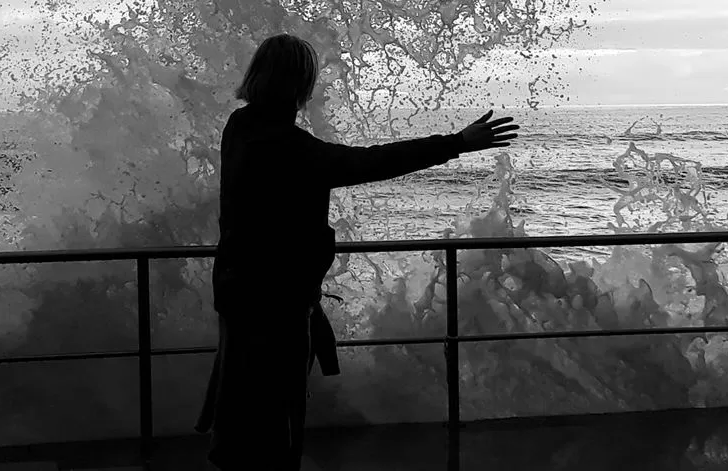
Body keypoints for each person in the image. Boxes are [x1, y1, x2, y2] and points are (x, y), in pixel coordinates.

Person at [195, 33, 519, 471]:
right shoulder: (290, 148)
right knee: (274, 419)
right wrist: (456, 142)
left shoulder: (240, 128)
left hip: (238, 289)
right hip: (277, 303)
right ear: (299, 86)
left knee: (240, 405)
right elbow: (370, 162)